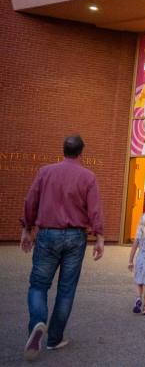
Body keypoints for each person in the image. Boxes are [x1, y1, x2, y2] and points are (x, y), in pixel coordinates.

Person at [20, 135, 104, 361]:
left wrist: (27, 229)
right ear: (81, 152)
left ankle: (38, 321)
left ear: (64, 150)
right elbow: (94, 208)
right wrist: (99, 236)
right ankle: (55, 338)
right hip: (76, 237)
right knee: (66, 289)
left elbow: (31, 201)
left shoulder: (45, 172)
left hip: (47, 233)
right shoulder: (88, 177)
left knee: (38, 285)